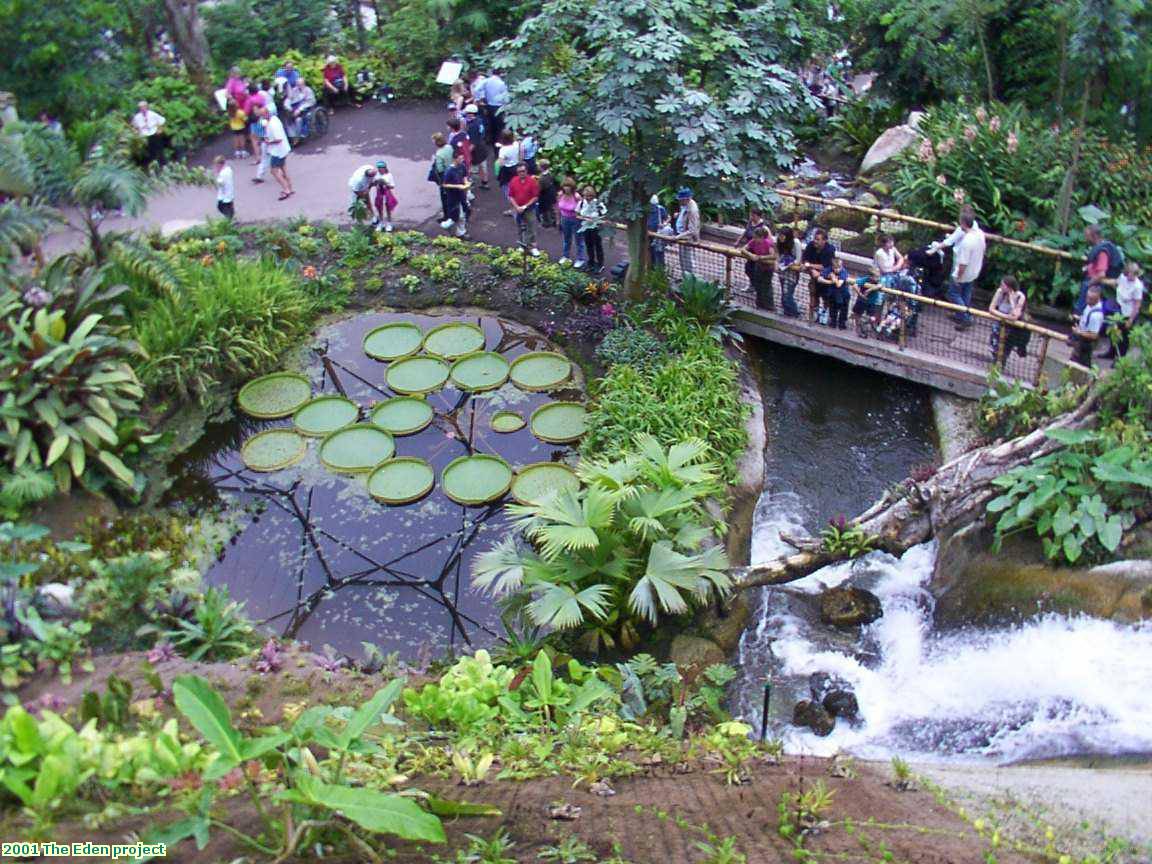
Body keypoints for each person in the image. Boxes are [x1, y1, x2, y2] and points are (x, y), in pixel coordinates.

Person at [939, 210, 986, 329]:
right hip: (974, 271)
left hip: (964, 272)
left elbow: (963, 264)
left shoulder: (967, 241)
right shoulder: (980, 233)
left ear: (963, 223)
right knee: (966, 293)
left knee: (953, 293)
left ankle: (965, 318)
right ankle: (961, 315)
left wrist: (958, 277)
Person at [1076, 224, 1124, 314]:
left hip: (1095, 284)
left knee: (1083, 309)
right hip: (1092, 281)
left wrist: (1088, 284)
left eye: (1087, 236)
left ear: (1094, 236)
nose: (1086, 238)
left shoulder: (1102, 251)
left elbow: (1101, 274)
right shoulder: (1098, 248)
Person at [987, 275, 1029, 363]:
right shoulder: (999, 292)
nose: (1001, 287)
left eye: (1003, 286)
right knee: (994, 346)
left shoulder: (1020, 296)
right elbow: (991, 309)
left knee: (1005, 349)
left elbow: (1015, 315)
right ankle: (996, 363)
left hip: (1012, 328)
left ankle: (1000, 365)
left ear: (1009, 287)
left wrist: (1012, 301)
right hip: (999, 324)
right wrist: (1006, 317)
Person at [800, 227, 835, 322]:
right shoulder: (811, 245)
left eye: (818, 239)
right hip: (814, 277)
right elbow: (805, 259)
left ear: (824, 241)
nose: (815, 241)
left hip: (826, 279)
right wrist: (812, 269)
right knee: (813, 296)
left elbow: (825, 266)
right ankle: (812, 317)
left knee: (826, 299)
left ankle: (825, 316)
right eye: (815, 239)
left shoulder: (830, 250)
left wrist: (809, 265)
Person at [507, 162, 541, 255]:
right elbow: (511, 196)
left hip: (529, 209)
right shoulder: (514, 181)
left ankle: (532, 247)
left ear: (526, 171)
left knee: (531, 227)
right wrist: (517, 207)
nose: (521, 173)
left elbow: (535, 197)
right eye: (519, 171)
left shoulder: (532, 181)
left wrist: (525, 206)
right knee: (519, 227)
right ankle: (521, 245)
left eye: (523, 171)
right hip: (517, 209)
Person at [261, 105, 294, 200]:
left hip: (277, 151)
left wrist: (268, 142)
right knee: (283, 168)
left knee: (274, 171)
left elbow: (278, 139)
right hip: (283, 149)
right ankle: (290, 187)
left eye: (263, 115)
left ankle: (286, 189)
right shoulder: (274, 119)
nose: (262, 117)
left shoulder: (273, 125)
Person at [1070, 283, 1106, 367]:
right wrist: (1079, 318)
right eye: (1087, 298)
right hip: (1081, 342)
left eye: (1091, 299)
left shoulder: (1096, 315)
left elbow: (1094, 335)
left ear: (1098, 299)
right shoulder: (1090, 305)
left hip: (1086, 344)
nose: (1088, 301)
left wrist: (1079, 332)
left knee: (1081, 366)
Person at [1114, 261, 1144, 358]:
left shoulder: (1137, 286)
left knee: (1124, 337)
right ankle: (1111, 353)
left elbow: (1137, 305)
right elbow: (1116, 283)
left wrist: (1130, 320)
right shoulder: (1123, 277)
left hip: (1129, 312)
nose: (1130, 276)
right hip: (1119, 308)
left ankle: (1120, 357)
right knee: (1114, 332)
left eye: (1132, 274)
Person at [743, 224, 776, 310]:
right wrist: (751, 255)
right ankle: (759, 303)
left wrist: (762, 257)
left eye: (756, 237)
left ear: (761, 237)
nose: (755, 239)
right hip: (759, 266)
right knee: (758, 284)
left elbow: (773, 256)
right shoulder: (753, 241)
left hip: (768, 267)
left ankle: (769, 305)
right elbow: (743, 249)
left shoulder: (768, 243)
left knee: (767, 285)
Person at [441, 150, 471, 237]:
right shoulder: (449, 171)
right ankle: (452, 228)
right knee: (458, 215)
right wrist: (458, 186)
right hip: (453, 196)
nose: (462, 159)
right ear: (455, 159)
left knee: (463, 213)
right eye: (460, 158)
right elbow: (445, 184)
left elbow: (464, 176)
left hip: (462, 194)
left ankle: (460, 231)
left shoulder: (462, 166)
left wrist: (466, 183)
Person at [577, 185, 607, 273]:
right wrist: (585, 218)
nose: (588, 198)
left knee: (598, 246)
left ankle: (600, 264)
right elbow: (577, 215)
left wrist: (598, 220)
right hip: (586, 227)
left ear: (593, 196)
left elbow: (604, 215)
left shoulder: (598, 203)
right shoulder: (582, 203)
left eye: (590, 196)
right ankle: (591, 262)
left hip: (596, 227)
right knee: (589, 245)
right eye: (586, 196)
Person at [816, 256, 851, 329]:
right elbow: (819, 279)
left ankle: (842, 324)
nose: (837, 270)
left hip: (843, 294)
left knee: (844, 310)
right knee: (833, 309)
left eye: (839, 267)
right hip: (833, 294)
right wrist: (829, 281)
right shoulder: (828, 270)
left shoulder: (843, 272)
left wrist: (833, 278)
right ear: (832, 266)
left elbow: (839, 284)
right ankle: (833, 322)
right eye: (835, 268)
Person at [776, 225, 802, 317]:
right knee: (784, 293)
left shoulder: (796, 243)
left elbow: (798, 260)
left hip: (792, 273)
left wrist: (786, 264)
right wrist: (778, 263)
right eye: (780, 236)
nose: (780, 238)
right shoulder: (779, 241)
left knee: (787, 294)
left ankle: (795, 312)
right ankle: (787, 312)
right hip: (782, 272)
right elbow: (778, 254)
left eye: (782, 236)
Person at [673, 187, 700, 275]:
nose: (679, 201)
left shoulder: (693, 210)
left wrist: (677, 237)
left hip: (688, 239)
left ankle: (691, 280)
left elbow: (692, 230)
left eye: (681, 200)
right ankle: (685, 278)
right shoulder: (684, 205)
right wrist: (679, 215)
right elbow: (684, 215)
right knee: (682, 260)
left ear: (687, 199)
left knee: (688, 261)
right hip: (681, 235)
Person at [430, 132, 455, 225]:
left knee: (445, 197)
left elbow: (440, 169)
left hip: (445, 176)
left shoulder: (439, 153)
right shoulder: (449, 147)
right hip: (453, 172)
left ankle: (447, 216)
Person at [558, 178, 584, 265]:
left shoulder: (576, 197)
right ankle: (566, 256)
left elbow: (582, 209)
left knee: (578, 240)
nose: (566, 188)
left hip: (575, 220)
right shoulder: (561, 195)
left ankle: (580, 259)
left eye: (568, 186)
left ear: (572, 187)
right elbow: (558, 207)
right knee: (566, 239)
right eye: (565, 186)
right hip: (564, 219)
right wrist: (558, 220)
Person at [132, 100, 167, 165]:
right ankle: (150, 166)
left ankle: (163, 165)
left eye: (144, 107)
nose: (142, 108)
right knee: (148, 153)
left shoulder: (152, 114)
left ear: (146, 107)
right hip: (144, 136)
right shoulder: (137, 117)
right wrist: (136, 133)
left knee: (159, 151)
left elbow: (162, 121)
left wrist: (160, 130)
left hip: (154, 134)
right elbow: (134, 126)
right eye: (141, 107)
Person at [463, 104, 489, 189]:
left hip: (476, 151)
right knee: (483, 166)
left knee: (473, 169)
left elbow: (473, 143)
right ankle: (485, 183)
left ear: (470, 113)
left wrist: (466, 154)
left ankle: (471, 184)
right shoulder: (480, 121)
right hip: (482, 147)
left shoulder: (472, 126)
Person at [495, 130, 522, 213]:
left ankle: (515, 208)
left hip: (506, 171)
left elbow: (501, 163)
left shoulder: (503, 150)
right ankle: (515, 207)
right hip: (516, 168)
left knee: (508, 190)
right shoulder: (516, 144)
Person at [373, 160, 398, 232]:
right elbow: (373, 184)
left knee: (388, 208)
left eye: (382, 167)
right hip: (379, 194)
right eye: (379, 167)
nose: (380, 169)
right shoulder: (376, 175)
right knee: (379, 208)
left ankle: (389, 223)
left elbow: (392, 186)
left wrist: (386, 184)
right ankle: (381, 223)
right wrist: (376, 182)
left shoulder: (389, 175)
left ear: (385, 168)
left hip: (386, 193)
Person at [647, 194, 669, 269]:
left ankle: (660, 270)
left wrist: (664, 224)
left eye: (655, 205)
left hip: (658, 235)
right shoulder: (646, 210)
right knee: (649, 252)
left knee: (659, 252)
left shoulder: (660, 209)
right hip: (647, 235)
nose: (653, 206)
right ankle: (651, 268)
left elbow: (667, 218)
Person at [536, 159, 557, 228]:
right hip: (551, 193)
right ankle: (554, 220)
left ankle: (546, 223)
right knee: (551, 208)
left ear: (541, 167)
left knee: (544, 210)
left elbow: (539, 188)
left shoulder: (541, 179)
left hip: (544, 196)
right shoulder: (550, 174)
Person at [214, 155, 235, 220]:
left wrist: (217, 175)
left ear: (219, 164)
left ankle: (229, 220)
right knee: (229, 208)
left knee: (221, 207)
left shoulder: (222, 173)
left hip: (224, 196)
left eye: (216, 165)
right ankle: (230, 218)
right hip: (230, 194)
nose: (216, 167)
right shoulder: (228, 169)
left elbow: (220, 183)